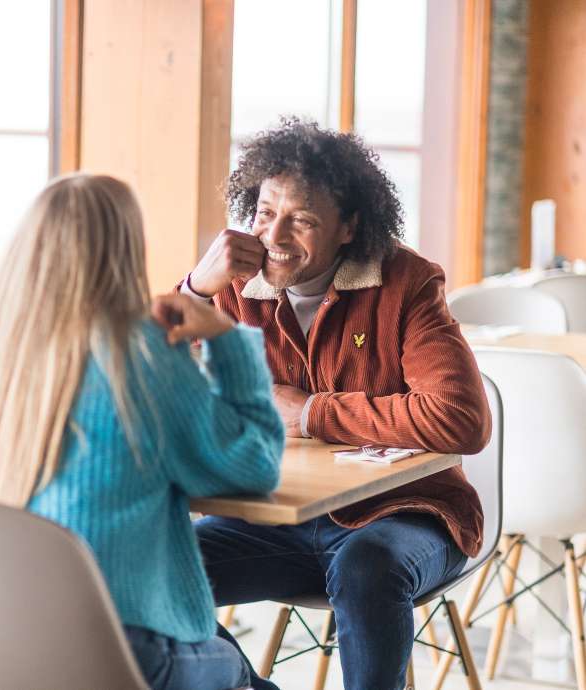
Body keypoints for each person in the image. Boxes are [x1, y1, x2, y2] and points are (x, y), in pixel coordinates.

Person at [0, 173, 286, 690]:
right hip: (117, 650)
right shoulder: (140, 357)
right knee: (240, 674)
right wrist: (226, 338)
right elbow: (255, 465)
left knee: (217, 647)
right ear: (126, 251)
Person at [181, 118, 492, 690]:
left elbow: (460, 418)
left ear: (349, 227)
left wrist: (311, 413)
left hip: (407, 514)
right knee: (158, 565)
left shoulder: (405, 281)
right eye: (265, 212)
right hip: (277, 516)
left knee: (365, 567)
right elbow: (159, 382)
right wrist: (196, 289)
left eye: (301, 219)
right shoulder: (230, 285)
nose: (274, 235)